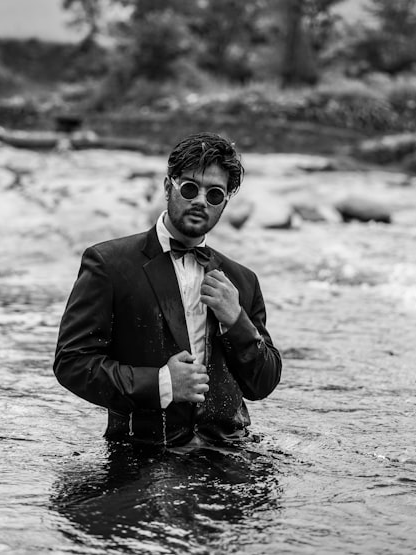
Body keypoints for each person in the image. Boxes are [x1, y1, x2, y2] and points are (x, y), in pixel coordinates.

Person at [53, 132, 282, 447]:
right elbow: (72, 363)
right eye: (190, 188)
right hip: (144, 451)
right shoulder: (109, 264)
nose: (201, 200)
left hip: (229, 449)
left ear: (226, 202)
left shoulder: (242, 281)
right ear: (167, 187)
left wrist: (236, 320)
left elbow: (263, 384)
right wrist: (161, 383)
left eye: (215, 194)